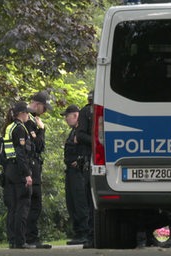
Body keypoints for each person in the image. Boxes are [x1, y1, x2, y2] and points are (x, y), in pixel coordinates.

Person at [0, 101, 36, 249]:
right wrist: (27, 174)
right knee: (23, 205)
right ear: (22, 113)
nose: (28, 115)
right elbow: (21, 153)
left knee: (13, 207)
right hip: (19, 171)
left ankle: (13, 240)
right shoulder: (20, 129)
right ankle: (20, 241)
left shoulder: (9, 127)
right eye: (27, 112)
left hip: (9, 169)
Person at [24, 91, 53, 249]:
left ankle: (30, 238)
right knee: (33, 205)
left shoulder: (30, 119)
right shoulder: (28, 121)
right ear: (37, 104)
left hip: (33, 168)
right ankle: (30, 238)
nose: (45, 111)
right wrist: (41, 130)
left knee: (33, 204)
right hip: (30, 168)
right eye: (44, 107)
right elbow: (38, 146)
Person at [61, 105, 90, 245]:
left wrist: (79, 161)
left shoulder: (81, 133)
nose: (66, 119)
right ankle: (78, 232)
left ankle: (84, 232)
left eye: (67, 116)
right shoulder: (73, 132)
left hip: (78, 173)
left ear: (76, 116)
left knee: (80, 202)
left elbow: (85, 149)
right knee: (71, 203)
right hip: (71, 172)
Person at [75, 90, 94, 248]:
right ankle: (91, 235)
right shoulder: (86, 112)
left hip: (98, 158)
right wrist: (98, 142)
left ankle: (93, 235)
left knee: (91, 199)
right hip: (92, 157)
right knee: (90, 199)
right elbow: (80, 135)